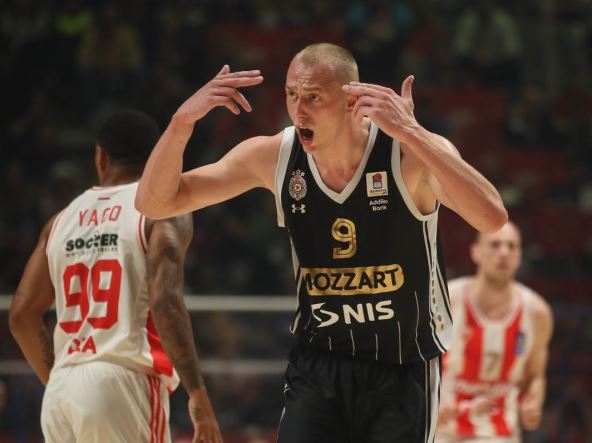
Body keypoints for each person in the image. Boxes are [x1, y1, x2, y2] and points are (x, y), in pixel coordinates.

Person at [135, 43, 508, 442]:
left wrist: (414, 133)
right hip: (319, 363)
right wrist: (181, 122)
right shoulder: (274, 156)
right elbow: (155, 203)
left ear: (351, 102)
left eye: (313, 97)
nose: (299, 110)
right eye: (292, 94)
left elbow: (492, 218)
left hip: (402, 365)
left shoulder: (406, 152)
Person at [9, 110, 222, 443]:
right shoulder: (161, 209)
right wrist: (198, 393)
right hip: (123, 378)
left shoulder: (59, 221)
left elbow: (21, 315)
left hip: (62, 390)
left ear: (101, 156)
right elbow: (165, 301)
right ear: (156, 158)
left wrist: (62, 380)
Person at [437, 222, 553, 443]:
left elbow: (535, 376)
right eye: (495, 245)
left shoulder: (537, 313)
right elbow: (415, 363)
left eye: (512, 246)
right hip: (441, 429)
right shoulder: (446, 300)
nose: (504, 252)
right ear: (475, 252)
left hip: (499, 433)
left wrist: (533, 403)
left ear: (519, 256)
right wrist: (426, 405)